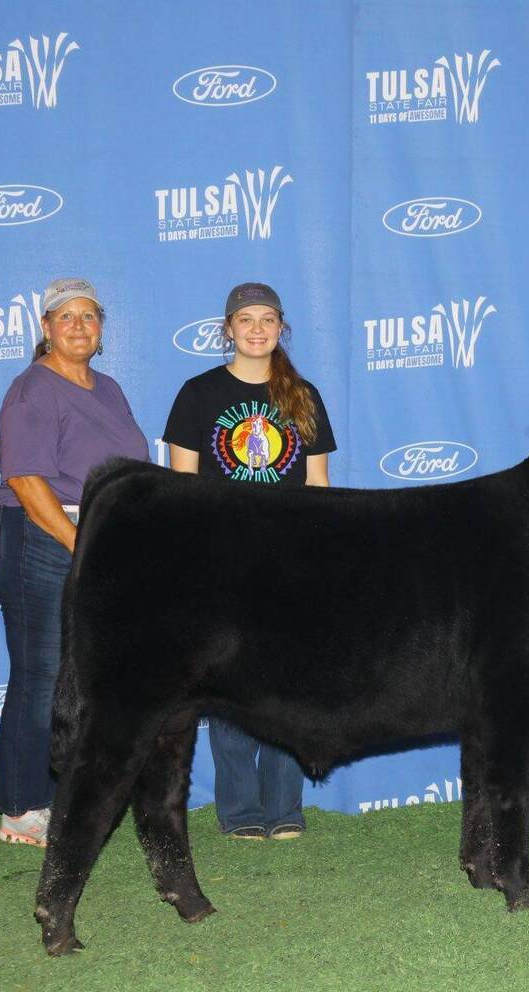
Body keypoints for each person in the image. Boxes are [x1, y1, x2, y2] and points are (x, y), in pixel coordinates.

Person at [163, 283, 336, 840]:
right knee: (228, 688)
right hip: (220, 562)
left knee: (288, 686)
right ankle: (239, 811)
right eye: (245, 319)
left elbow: (318, 486)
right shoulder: (198, 393)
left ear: (281, 329)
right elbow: (180, 486)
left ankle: (285, 807)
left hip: (290, 563)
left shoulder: (302, 396)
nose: (256, 329)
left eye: (267, 320)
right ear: (228, 329)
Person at [0, 278, 149, 846]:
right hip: (39, 531)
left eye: (88, 316)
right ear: (45, 328)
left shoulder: (109, 389)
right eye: (64, 316)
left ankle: (58, 799)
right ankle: (22, 805)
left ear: (101, 329)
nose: (78, 325)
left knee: (77, 675)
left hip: (94, 535)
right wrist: (83, 544)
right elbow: (27, 480)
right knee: (42, 670)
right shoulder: (33, 388)